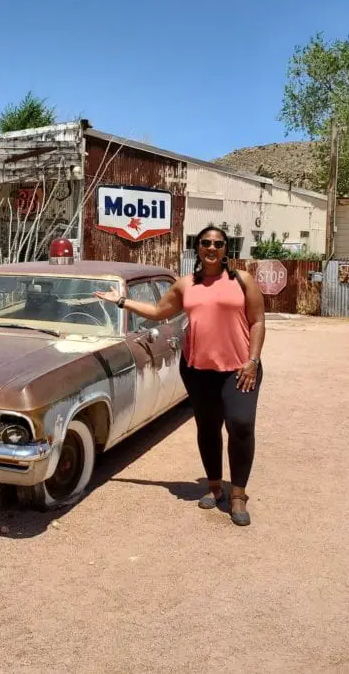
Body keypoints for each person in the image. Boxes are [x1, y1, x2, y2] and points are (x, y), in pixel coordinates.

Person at [94, 225, 266, 525]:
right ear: (197, 248)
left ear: (227, 249)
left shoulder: (243, 280)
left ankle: (238, 494)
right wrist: (121, 301)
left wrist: (253, 360)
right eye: (205, 243)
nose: (211, 248)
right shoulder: (186, 285)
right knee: (207, 428)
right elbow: (159, 311)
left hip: (240, 369)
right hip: (198, 369)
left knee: (240, 425)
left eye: (218, 243)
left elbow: (258, 322)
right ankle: (214, 487)